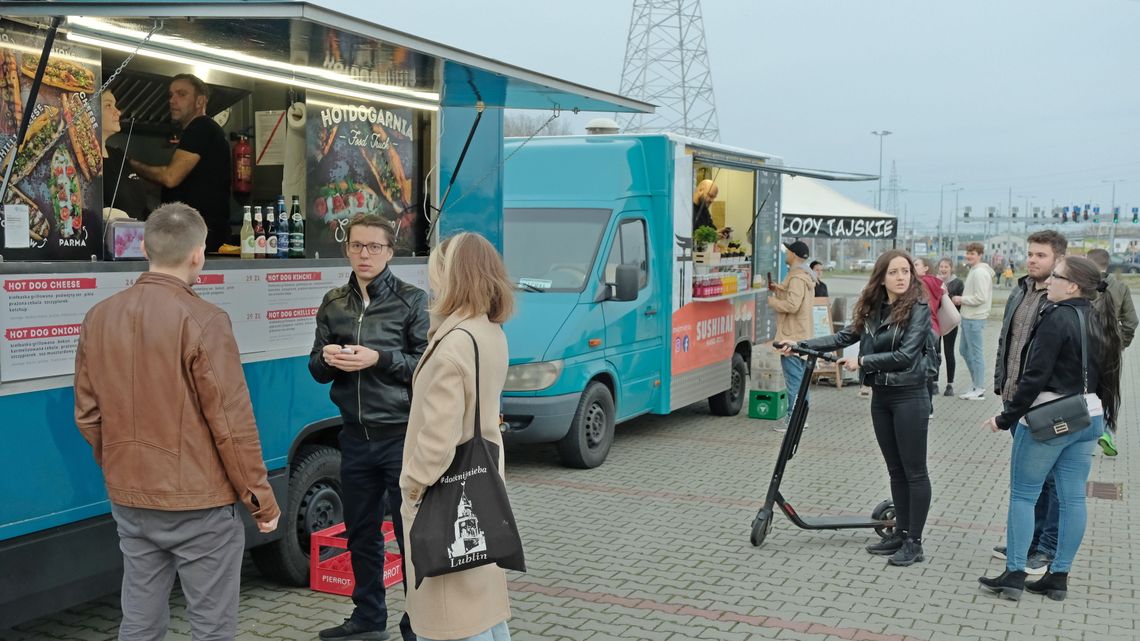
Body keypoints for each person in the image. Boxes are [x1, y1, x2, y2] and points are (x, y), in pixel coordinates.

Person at [73, 203, 280, 641]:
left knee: (140, 623)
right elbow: (231, 423)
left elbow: (89, 415)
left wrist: (120, 465)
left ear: (144, 247)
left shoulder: (98, 316)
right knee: (211, 627)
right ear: (198, 255)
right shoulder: (205, 320)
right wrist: (260, 500)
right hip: (199, 504)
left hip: (130, 497)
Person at [310, 214, 429, 641]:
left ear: (389, 252)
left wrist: (378, 358)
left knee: (410, 536)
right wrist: (327, 360)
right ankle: (367, 617)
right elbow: (316, 369)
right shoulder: (333, 302)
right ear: (348, 249)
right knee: (361, 533)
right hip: (354, 438)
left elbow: (426, 368)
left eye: (374, 247)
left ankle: (418, 622)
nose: (365, 254)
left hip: (400, 436)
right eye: (357, 246)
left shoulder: (412, 301)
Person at [979, 256, 1122, 601]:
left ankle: (1014, 574)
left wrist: (1006, 417)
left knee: (1024, 496)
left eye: (1056, 277)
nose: (1049, 281)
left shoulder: (1056, 318)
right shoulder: (1100, 318)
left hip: (1047, 419)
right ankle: (1058, 577)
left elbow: (1034, 376)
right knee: (1073, 497)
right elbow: (1108, 376)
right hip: (1087, 417)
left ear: (1072, 285)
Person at [400, 232, 516, 641]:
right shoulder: (489, 332)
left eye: (436, 271)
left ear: (454, 277)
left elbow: (437, 440)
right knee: (481, 609)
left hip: (444, 494)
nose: (432, 281)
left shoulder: (452, 346)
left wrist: (411, 486)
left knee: (451, 618)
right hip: (481, 482)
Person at [790, 249, 934, 566]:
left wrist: (863, 360)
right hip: (881, 396)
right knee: (895, 470)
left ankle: (915, 542)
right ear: (881, 277)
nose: (900, 277)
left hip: (910, 395)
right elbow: (845, 335)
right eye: (894, 272)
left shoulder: (919, 309)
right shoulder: (873, 308)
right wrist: (802, 344)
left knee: (914, 471)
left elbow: (906, 356)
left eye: (905, 271)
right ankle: (900, 532)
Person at [990, 230, 1067, 576]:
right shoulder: (1020, 290)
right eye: (1031, 254)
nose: (1032, 260)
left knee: (1049, 480)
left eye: (1041, 255)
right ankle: (1027, 540)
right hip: (1014, 399)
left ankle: (1046, 547)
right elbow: (1006, 343)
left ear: (1058, 261)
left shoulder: (1060, 298)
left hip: (1045, 403)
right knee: (1028, 479)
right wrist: (1001, 385)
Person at [131, 74, 232, 251]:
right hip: (197, 236)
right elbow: (179, 185)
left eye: (181, 94)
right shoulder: (204, 131)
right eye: (170, 95)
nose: (172, 100)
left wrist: (132, 165)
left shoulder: (200, 127)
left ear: (200, 101)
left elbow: (170, 177)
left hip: (197, 237)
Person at [1086, 248, 1135, 457]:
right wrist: (1120, 343)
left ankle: (1085, 433)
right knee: (1108, 390)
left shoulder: (1083, 285)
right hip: (1110, 350)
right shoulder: (1121, 287)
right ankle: (1106, 433)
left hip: (1085, 348)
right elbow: (1131, 321)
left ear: (1089, 263)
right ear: (1108, 264)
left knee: (1085, 390)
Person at [768, 240, 815, 433]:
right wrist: (778, 289)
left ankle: (793, 421)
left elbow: (792, 305)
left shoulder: (796, 278)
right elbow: (793, 297)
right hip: (803, 335)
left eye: (787, 251)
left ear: (794, 255)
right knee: (802, 381)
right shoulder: (804, 276)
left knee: (794, 382)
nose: (785, 254)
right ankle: (800, 419)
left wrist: (773, 302)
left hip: (791, 338)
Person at [100, 91, 150, 220]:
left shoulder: (118, 155)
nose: (118, 112)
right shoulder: (86, 160)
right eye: (108, 105)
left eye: (115, 105)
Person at [954, 242, 995, 400]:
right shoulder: (974, 270)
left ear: (980, 255)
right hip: (968, 317)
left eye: (972, 253)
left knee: (975, 353)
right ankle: (975, 384)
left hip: (975, 318)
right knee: (964, 351)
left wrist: (960, 299)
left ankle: (979, 388)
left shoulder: (979, 273)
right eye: (968, 253)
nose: (969, 256)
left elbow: (981, 297)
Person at [913, 257, 943, 415]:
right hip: (935, 328)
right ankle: (929, 406)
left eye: (916, 264)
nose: (913, 266)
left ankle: (923, 406)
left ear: (926, 268)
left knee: (920, 368)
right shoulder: (936, 283)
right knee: (930, 366)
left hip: (922, 327)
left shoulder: (920, 284)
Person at [936, 258, 964, 396]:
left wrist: (947, 294)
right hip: (935, 322)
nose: (943, 269)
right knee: (935, 353)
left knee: (949, 352)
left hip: (950, 323)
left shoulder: (957, 283)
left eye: (946, 266)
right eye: (941, 266)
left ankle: (950, 384)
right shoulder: (934, 281)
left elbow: (958, 303)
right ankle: (934, 382)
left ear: (951, 268)